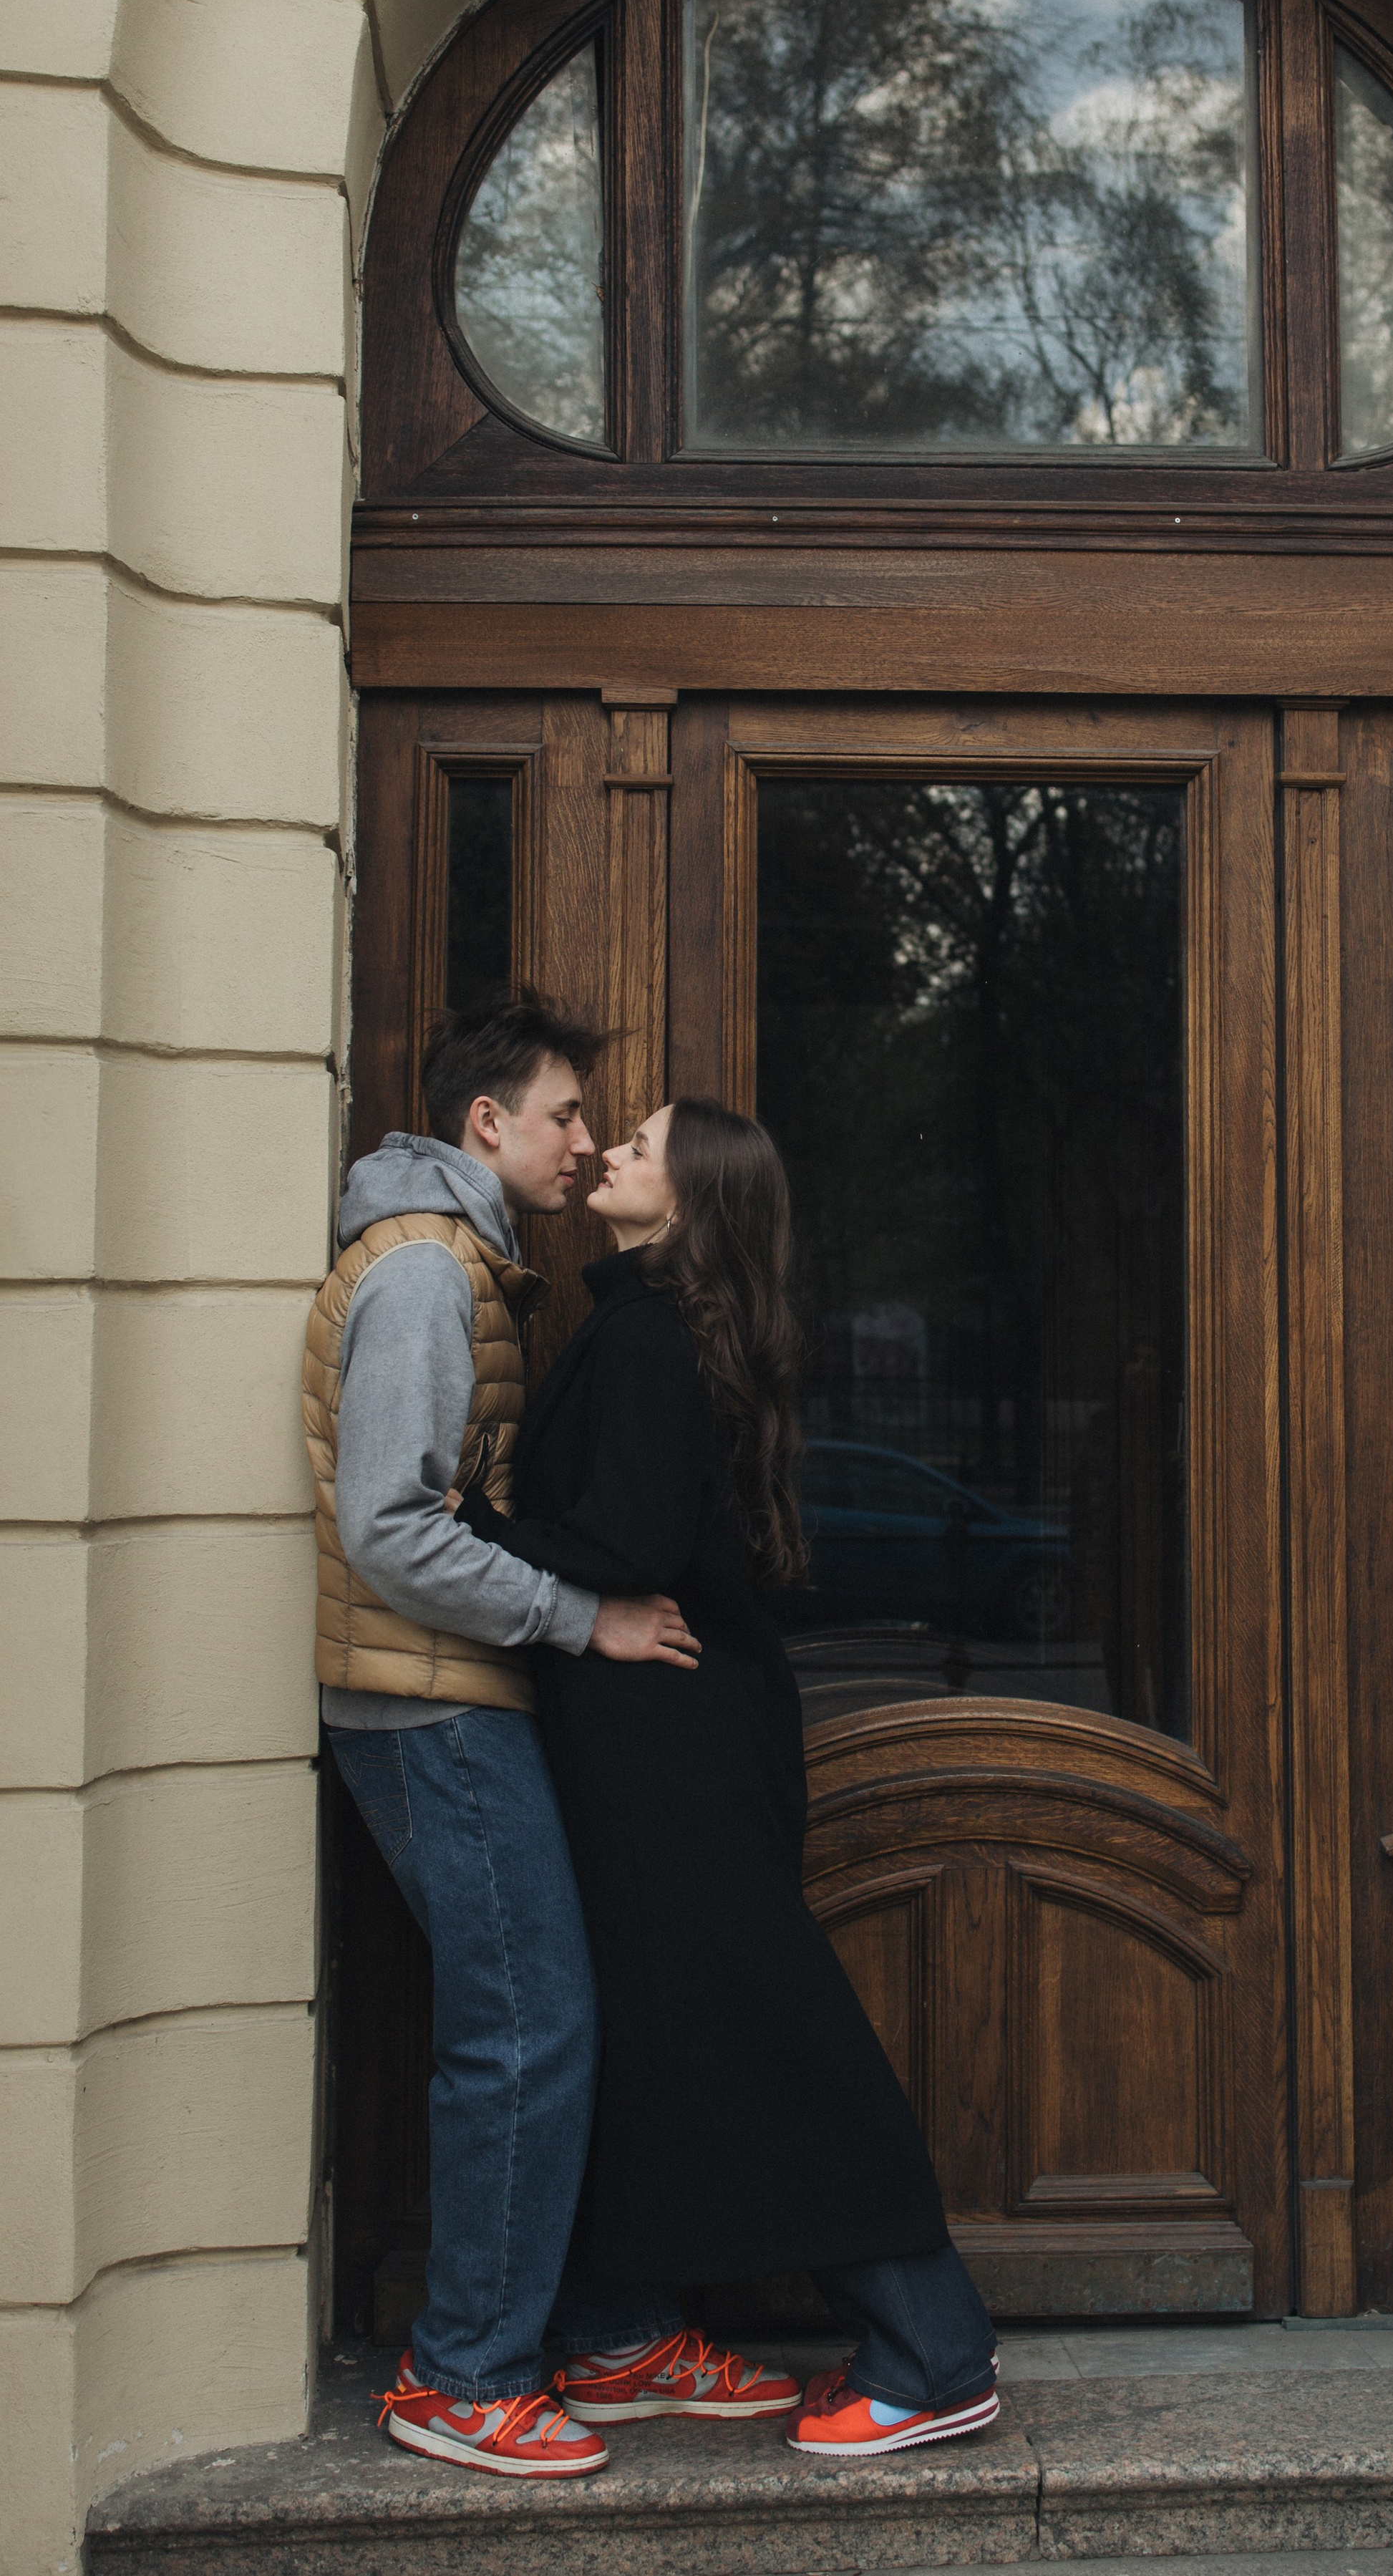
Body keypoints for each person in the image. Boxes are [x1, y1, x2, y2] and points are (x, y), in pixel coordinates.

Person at [458, 1098, 1001, 2456]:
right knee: (663, 2039)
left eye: (637, 1147)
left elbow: (630, 1536)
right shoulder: (673, 1324)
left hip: (671, 1750)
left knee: (770, 2042)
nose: (608, 1155)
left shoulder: (650, 1335)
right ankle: (621, 2320)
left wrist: (477, 1522)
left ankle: (933, 2352)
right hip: (682, 1734)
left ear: (688, 1200)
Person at [304, 996, 771, 2481]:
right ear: (487, 1126)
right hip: (424, 1701)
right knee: (524, 2027)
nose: (586, 1139)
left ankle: (617, 2328)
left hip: (460, 1688)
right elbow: (390, 1529)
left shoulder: (471, 1269)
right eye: (568, 1113)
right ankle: (463, 2376)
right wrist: (591, 1618)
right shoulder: (427, 1280)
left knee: (555, 2014)